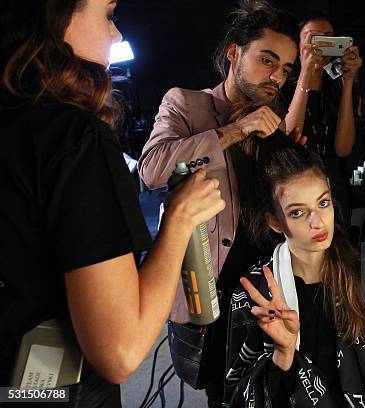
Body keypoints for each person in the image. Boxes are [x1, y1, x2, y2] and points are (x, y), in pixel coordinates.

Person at [0, 0, 224, 406]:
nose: (117, 34)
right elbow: (120, 350)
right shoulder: (73, 136)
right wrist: (179, 219)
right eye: (107, 13)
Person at [137, 1, 299, 405]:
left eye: (286, 70)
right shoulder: (187, 104)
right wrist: (234, 130)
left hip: (264, 286)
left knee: (268, 387)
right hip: (206, 286)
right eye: (267, 60)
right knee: (219, 393)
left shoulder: (273, 123)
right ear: (234, 53)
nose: (277, 77)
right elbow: (152, 169)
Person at [223, 133, 365, 407]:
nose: (317, 222)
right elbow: (237, 397)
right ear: (274, 222)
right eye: (297, 212)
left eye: (323, 203)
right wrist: (282, 356)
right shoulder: (255, 295)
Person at [283, 12, 362, 231]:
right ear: (298, 44)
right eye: (314, 37)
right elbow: (288, 135)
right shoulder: (284, 84)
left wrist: (348, 81)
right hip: (294, 185)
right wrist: (306, 71)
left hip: (333, 188)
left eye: (329, 36)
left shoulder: (336, 85)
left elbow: (343, 148)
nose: (323, 42)